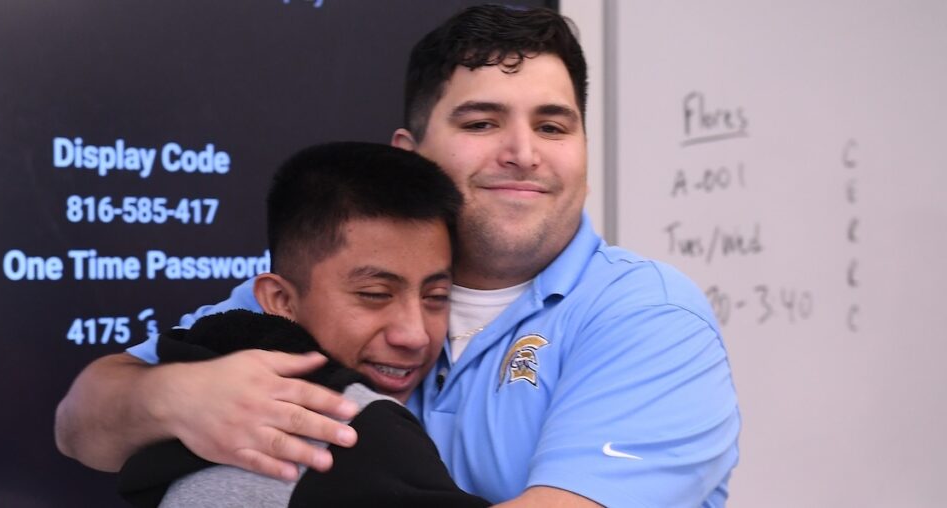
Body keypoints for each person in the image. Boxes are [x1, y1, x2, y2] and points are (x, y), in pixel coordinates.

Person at [56, 5, 740, 507]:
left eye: (552, 125)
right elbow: (79, 427)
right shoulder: (304, 296)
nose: (524, 153)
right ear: (409, 155)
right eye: (482, 122)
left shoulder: (646, 318)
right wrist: (174, 396)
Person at [117, 141, 487, 507]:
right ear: (280, 301)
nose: (415, 334)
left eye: (436, 296)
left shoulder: (198, 361)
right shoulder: (358, 429)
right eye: (375, 294)